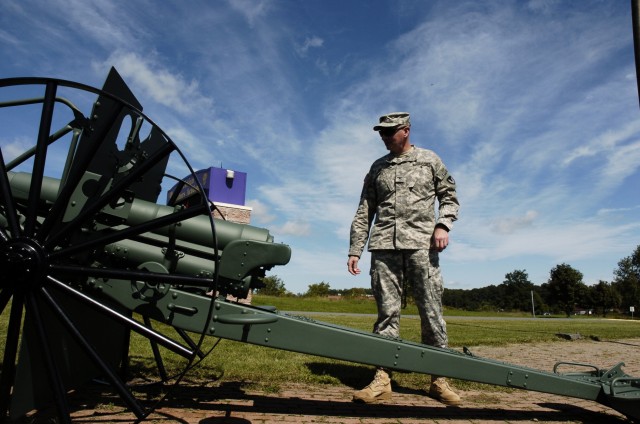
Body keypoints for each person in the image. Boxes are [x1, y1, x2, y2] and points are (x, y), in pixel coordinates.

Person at [347, 112, 461, 405]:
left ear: (406, 131)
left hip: (423, 247)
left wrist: (442, 224)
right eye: (381, 133)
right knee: (387, 314)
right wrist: (354, 249)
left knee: (431, 312)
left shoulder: (429, 160)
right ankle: (383, 379)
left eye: (389, 132)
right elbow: (364, 211)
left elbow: (449, 196)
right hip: (384, 247)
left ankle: (439, 379)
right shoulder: (377, 168)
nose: (384, 137)